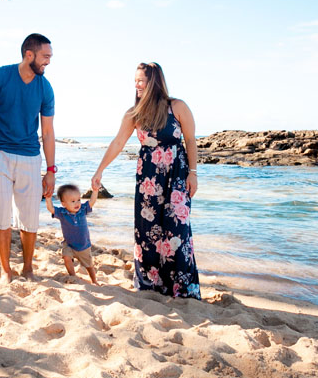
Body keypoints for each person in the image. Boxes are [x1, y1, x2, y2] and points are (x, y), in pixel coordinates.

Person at [91, 62, 201, 299]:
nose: (136, 85)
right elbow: (118, 143)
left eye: (141, 80)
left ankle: (181, 289)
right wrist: (100, 170)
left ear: (154, 81)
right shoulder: (134, 113)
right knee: (148, 230)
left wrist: (193, 172)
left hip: (177, 176)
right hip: (148, 177)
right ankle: (151, 286)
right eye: (135, 81)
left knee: (177, 230)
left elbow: (190, 140)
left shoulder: (177, 106)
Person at [0, 33, 56, 282]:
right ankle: (6, 270)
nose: (48, 61)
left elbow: (47, 133)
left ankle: (28, 268)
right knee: (1, 215)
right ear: (29, 55)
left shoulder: (45, 88)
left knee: (29, 218)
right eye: (45, 56)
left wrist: (50, 170)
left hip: (29, 156)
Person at [45, 183, 99, 284]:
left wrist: (95, 191)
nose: (77, 203)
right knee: (66, 257)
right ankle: (73, 275)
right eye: (73, 201)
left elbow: (91, 202)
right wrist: (48, 199)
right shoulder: (62, 213)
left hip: (84, 245)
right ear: (64, 204)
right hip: (69, 244)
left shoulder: (82, 209)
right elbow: (51, 209)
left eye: (78, 200)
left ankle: (94, 280)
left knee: (89, 265)